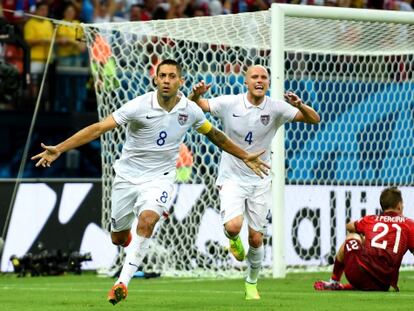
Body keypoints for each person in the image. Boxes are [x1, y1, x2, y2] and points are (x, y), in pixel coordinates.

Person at [31, 59, 270, 305]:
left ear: (181, 81)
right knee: (119, 238)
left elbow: (215, 135)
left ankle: (122, 282)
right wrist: (59, 149)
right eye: (162, 76)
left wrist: (244, 156)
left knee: (147, 220)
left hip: (161, 178)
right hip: (127, 177)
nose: (166, 80)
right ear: (155, 79)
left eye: (172, 76)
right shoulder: (138, 105)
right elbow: (99, 128)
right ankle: (132, 246)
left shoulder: (190, 109)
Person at [189, 65, 320, 300]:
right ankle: (232, 241)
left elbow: (314, 119)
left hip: (259, 180)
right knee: (233, 227)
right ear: (246, 82)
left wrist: (299, 105)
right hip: (231, 177)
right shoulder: (230, 103)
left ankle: (251, 283)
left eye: (264, 77)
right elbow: (199, 105)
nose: (260, 81)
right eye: (255, 77)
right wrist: (197, 94)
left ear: (268, 82)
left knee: (256, 238)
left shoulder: (277, 108)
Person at [314, 187, 414, 291]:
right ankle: (342, 286)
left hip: (357, 273)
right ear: (398, 206)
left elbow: (349, 226)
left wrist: (363, 236)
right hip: (383, 284)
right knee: (372, 281)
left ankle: (334, 281)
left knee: (352, 236)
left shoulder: (370, 219)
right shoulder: (409, 225)